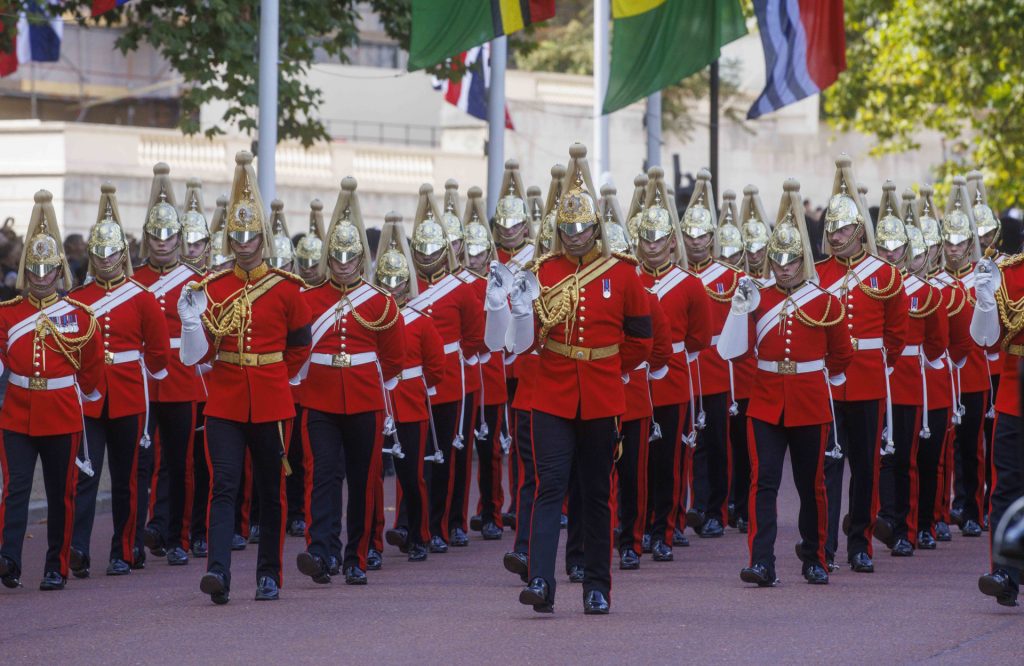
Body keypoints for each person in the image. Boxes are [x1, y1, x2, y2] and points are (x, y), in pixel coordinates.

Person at [488, 143, 653, 614]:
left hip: (601, 394)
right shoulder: (542, 272)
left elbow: (641, 339)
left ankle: (597, 585)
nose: (576, 236)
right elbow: (522, 339)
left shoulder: (621, 274)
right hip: (552, 393)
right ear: (558, 230)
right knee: (549, 487)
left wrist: (608, 368)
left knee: (598, 494)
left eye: (584, 228)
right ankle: (541, 581)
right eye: (569, 228)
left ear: (596, 229)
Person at [177, 150, 312, 604]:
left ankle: (269, 574)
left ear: (262, 238)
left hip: (272, 400)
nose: (243, 243)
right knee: (225, 486)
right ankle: (218, 572)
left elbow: (299, 347)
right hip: (225, 401)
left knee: (271, 493)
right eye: (236, 236)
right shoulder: (211, 289)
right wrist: (192, 324)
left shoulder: (287, 289)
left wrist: (273, 375)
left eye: (250, 235)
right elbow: (197, 356)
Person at [717, 178, 853, 586]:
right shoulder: (757, 296)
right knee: (764, 484)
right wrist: (739, 310)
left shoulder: (826, 302)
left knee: (812, 486)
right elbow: (732, 350)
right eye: (777, 261)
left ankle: (815, 558)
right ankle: (762, 562)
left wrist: (825, 378)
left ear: (803, 260)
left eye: (790, 261)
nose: (782, 268)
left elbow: (841, 353)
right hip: (766, 400)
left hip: (809, 400)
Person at [294, 177, 404, 586]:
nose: (342, 266)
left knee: (363, 479)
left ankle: (357, 555)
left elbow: (394, 359)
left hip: (364, 398)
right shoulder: (308, 299)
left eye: (349, 259)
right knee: (321, 475)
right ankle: (320, 552)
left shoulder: (380, 300)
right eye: (336, 259)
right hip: (320, 397)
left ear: (361, 259)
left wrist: (373, 387)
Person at [0, 190, 104, 591]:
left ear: (60, 272)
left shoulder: (77, 315)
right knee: (15, 490)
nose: (42, 277)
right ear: (27, 271)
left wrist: (91, 396)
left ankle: (55, 565)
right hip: (18, 412)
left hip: (61, 411)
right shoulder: (9, 313)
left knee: (62, 494)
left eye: (49, 270)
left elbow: (92, 364)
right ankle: (9, 557)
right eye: (35, 269)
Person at [68, 184, 170, 579]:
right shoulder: (79, 298)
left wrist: (151, 375)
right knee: (86, 475)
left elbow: (158, 350)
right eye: (100, 252)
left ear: (122, 254)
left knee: (128, 480)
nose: (106, 259)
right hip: (91, 396)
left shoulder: (141, 297)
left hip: (128, 393)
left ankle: (123, 550)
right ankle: (77, 548)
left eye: (112, 252)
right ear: (92, 255)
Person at [816, 155, 908, 573]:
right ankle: (825, 546)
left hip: (868, 379)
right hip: (830, 382)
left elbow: (896, 333)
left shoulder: (885, 275)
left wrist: (879, 365)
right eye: (831, 229)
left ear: (859, 230)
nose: (837, 236)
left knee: (866, 469)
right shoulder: (818, 275)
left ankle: (860, 544)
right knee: (830, 465)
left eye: (844, 229)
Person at [132, 163, 206, 568]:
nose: (162, 243)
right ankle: (143, 534)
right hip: (140, 378)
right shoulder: (135, 278)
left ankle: (178, 534)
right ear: (146, 239)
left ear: (179, 238)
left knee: (179, 461)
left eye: (169, 235)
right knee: (141, 461)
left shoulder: (195, 280)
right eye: (156, 236)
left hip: (179, 376)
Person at [407, 183, 484, 553]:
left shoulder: (459, 288)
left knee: (446, 457)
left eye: (433, 249)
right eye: (421, 249)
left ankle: (445, 523)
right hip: (410, 380)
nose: (427, 256)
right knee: (412, 456)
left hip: (449, 379)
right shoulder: (406, 284)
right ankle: (414, 525)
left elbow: (474, 335)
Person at [872, 183, 948, 556]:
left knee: (907, 459)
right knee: (877, 459)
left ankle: (909, 526)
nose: (889, 254)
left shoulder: (927, 292)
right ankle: (884, 518)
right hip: (873, 379)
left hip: (906, 383)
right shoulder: (871, 285)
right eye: (883, 248)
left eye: (895, 248)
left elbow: (937, 343)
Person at [377, 213, 446, 562]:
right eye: (386, 282)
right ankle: (376, 539)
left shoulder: (421, 321)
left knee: (412, 476)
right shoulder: (372, 318)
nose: (391, 289)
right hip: (380, 404)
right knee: (374, 476)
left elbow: (436, 368)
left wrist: (417, 387)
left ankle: (419, 534)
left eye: (397, 283)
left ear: (407, 285)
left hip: (410, 403)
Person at [681, 169, 740, 539]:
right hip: (686, 368)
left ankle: (715, 508)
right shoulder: (677, 274)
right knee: (686, 443)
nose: (697, 242)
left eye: (703, 235)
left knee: (716, 444)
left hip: (716, 369)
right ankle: (691, 506)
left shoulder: (729, 277)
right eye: (690, 235)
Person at [971, 237, 1024, 607]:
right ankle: (1005, 572)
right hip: (1014, 393)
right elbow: (987, 341)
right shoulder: (1009, 273)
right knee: (1006, 486)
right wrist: (986, 301)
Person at [461, 187, 509, 541]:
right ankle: (458, 519)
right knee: (460, 451)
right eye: (469, 253)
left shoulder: (499, 284)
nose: (474, 259)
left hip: (490, 373)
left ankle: (491, 511)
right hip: (463, 374)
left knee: (490, 451)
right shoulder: (455, 284)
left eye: (480, 253)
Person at [942, 176, 989, 539]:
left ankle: (971, 507)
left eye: (960, 242)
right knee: (941, 447)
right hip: (942, 374)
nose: (954, 248)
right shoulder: (935, 280)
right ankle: (941, 509)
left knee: (970, 445)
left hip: (972, 373)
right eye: (949, 242)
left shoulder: (982, 279)